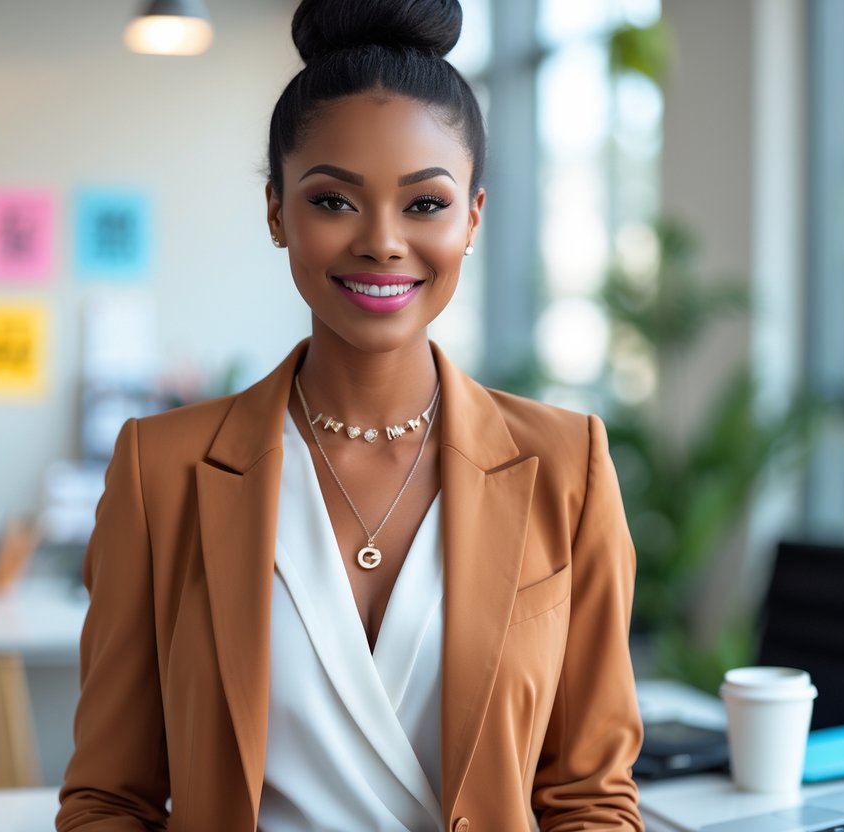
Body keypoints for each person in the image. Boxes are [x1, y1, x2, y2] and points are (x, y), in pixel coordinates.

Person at [56, 0, 644, 829]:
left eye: (425, 204)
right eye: (333, 201)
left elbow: (589, 798)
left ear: (472, 217)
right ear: (275, 211)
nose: (381, 242)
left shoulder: (566, 465)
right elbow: (109, 799)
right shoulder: (161, 469)